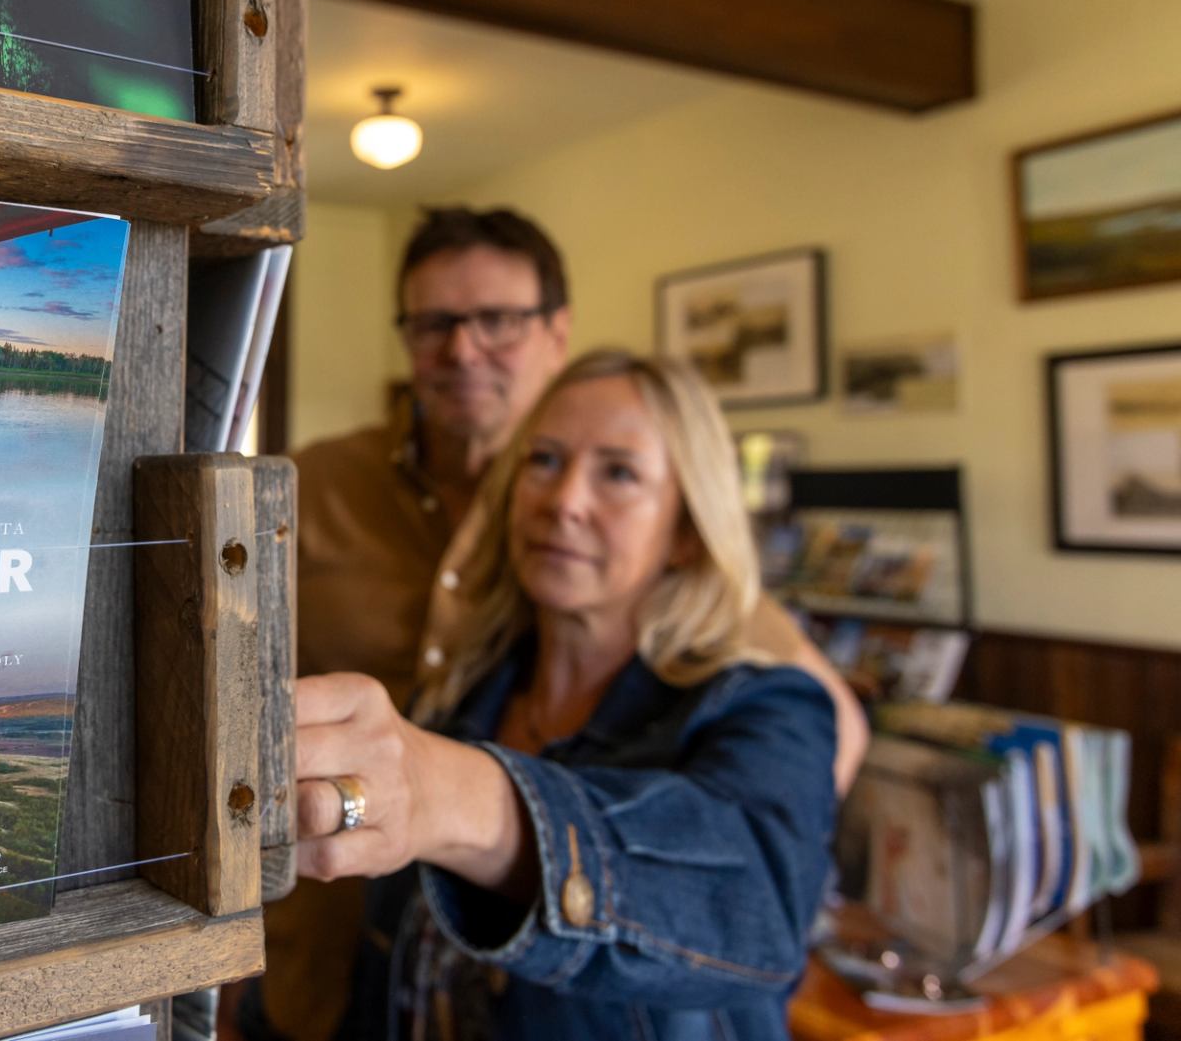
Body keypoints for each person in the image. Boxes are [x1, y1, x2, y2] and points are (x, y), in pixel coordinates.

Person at [242, 209, 865, 1041]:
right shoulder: (475, 679)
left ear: (685, 526)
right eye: (543, 463)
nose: (566, 500)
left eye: (618, 473)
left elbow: (756, 889)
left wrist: (447, 793)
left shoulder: (752, 700)